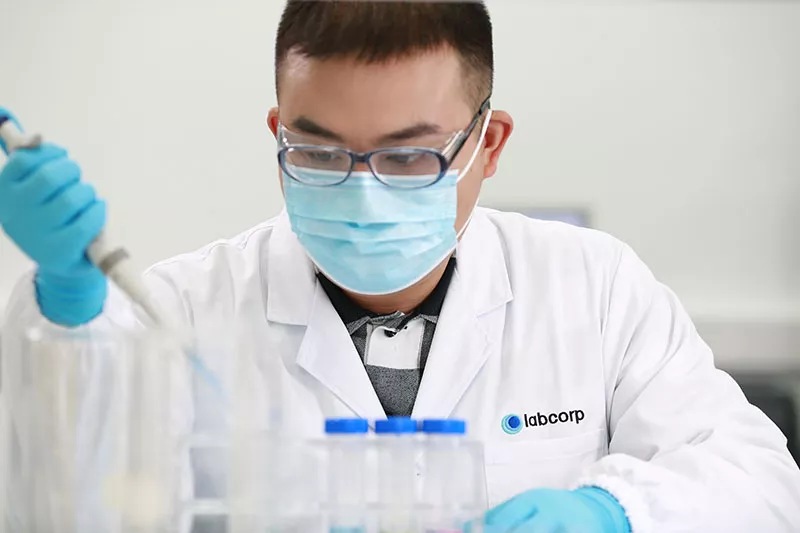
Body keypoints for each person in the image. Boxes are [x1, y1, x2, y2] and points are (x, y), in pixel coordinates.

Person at [1, 1, 799, 532]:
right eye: (319, 151)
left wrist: (612, 511)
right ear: (278, 131)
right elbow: (79, 509)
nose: (362, 191)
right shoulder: (179, 308)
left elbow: (759, 481)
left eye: (410, 156)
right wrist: (72, 304)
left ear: (488, 144)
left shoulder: (591, 286)